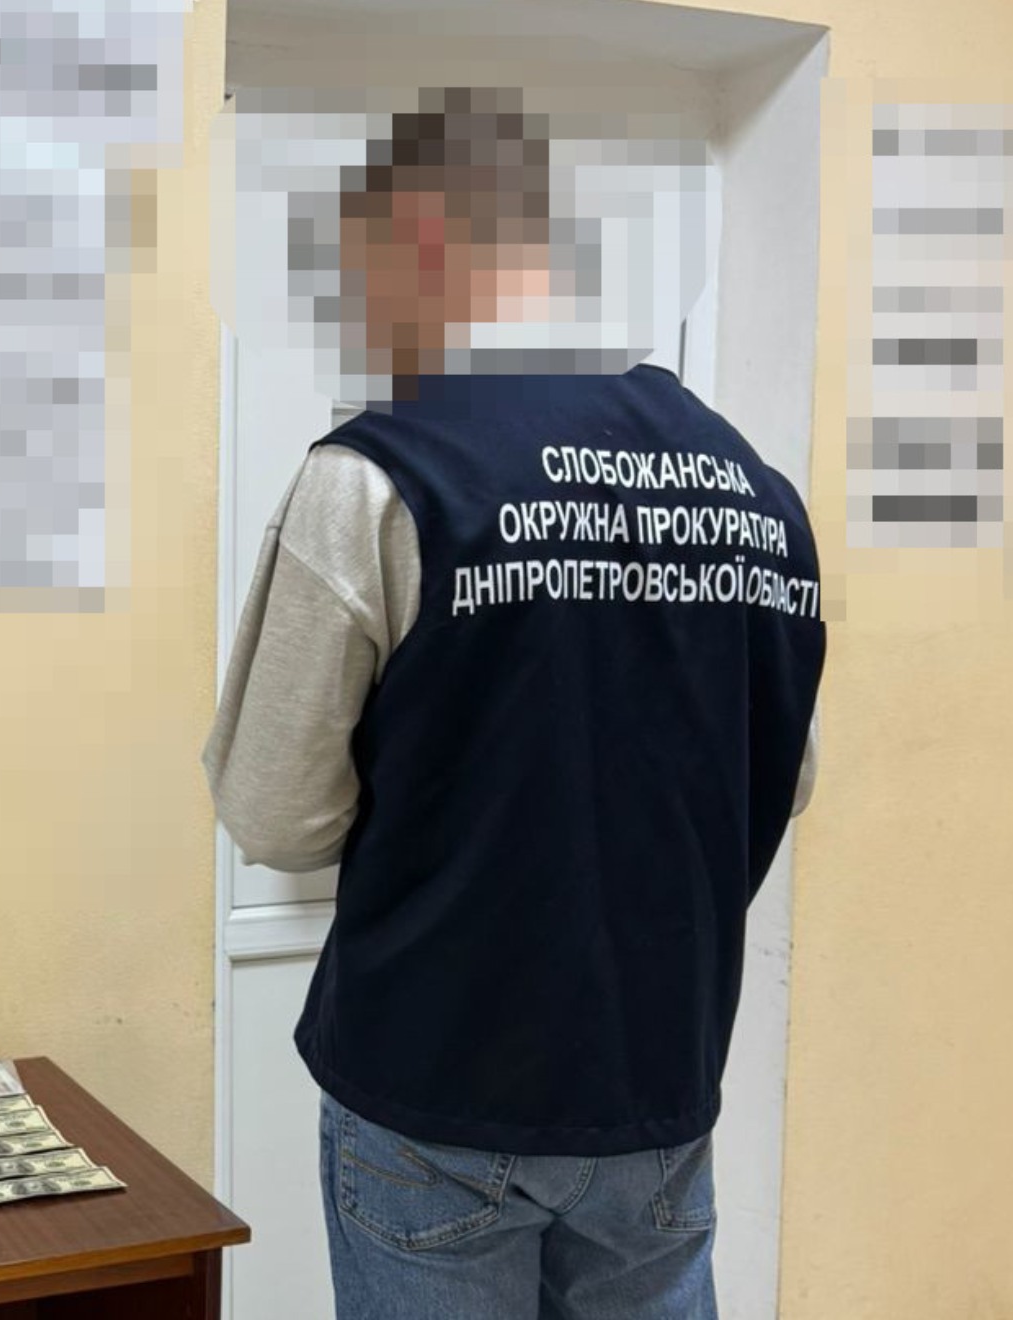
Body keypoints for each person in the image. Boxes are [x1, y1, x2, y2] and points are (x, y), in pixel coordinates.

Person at [204, 86, 826, 1320]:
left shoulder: (378, 474)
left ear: (427, 240)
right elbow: (779, 779)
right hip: (657, 1091)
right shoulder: (755, 488)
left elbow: (276, 814)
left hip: (435, 1091)